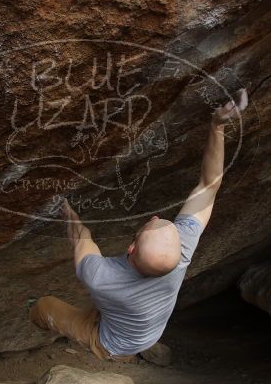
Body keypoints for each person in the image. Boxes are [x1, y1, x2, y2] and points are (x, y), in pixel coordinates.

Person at [29, 89, 249, 362]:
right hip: (147, 331)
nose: (156, 218)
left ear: (131, 247)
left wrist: (62, 204)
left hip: (110, 343)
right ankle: (131, 334)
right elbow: (210, 184)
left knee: (44, 306)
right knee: (110, 306)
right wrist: (217, 125)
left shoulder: (99, 276)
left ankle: (40, 316)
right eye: (165, 223)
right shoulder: (181, 254)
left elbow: (80, 236)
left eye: (152, 224)